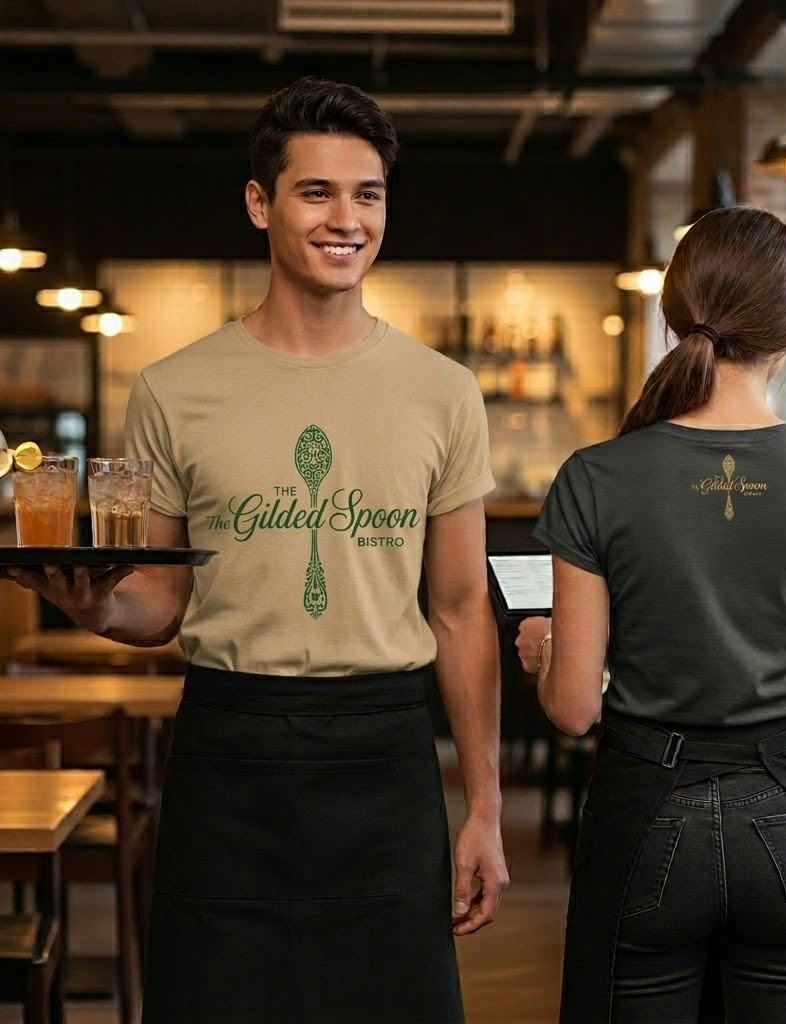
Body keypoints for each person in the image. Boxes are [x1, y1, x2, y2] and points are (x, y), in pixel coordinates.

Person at [5, 77, 507, 1024]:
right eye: (317, 192)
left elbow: (459, 609)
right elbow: (160, 597)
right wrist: (100, 606)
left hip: (384, 757)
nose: (346, 219)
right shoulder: (173, 389)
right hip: (230, 755)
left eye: (368, 195)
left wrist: (482, 806)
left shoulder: (443, 393)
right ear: (259, 203)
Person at [516, 205, 786, 1024]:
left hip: (643, 829)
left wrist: (550, 654)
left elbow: (571, 710)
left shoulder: (597, 476)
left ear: (674, 317)